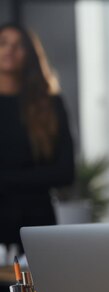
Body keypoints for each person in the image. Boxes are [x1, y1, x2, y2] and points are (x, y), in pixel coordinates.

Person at [0, 23, 75, 254]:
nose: (10, 50)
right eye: (3, 43)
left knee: (38, 290)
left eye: (18, 45)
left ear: (29, 55)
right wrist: (31, 178)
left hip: (37, 225)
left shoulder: (50, 105)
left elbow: (65, 172)